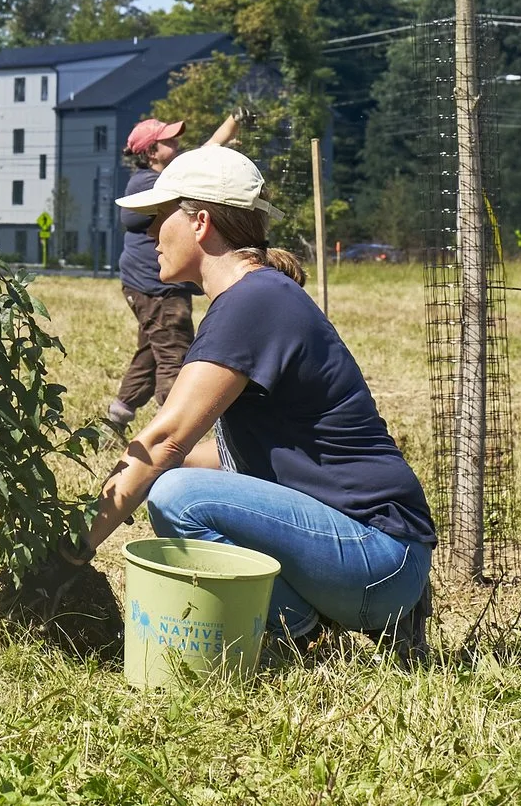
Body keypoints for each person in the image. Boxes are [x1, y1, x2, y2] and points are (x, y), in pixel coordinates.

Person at [78, 144, 434, 656]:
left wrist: (74, 549)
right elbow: (217, 456)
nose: (151, 235)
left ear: (200, 222)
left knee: (179, 497)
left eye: (159, 218)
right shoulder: (251, 299)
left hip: (378, 555)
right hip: (377, 559)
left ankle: (300, 638)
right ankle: (310, 630)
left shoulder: (253, 302)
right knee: (175, 483)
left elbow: (165, 439)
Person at [106, 113, 238, 432]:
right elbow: (198, 164)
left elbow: (200, 158)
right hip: (156, 287)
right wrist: (227, 132)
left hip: (150, 285)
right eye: (168, 140)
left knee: (153, 352)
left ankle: (116, 419)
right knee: (175, 357)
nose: (176, 142)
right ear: (151, 152)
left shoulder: (161, 178)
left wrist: (229, 128)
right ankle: (173, 433)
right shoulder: (152, 183)